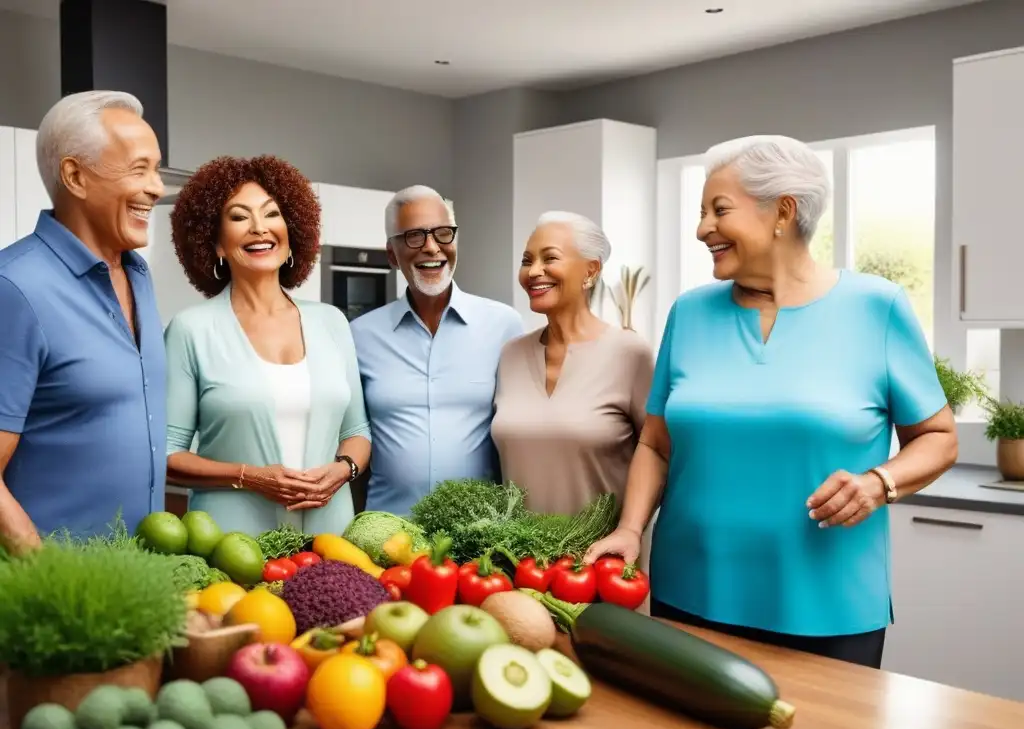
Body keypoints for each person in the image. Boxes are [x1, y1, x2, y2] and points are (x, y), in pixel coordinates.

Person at [586, 135, 958, 669]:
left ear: (783, 211)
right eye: (699, 212)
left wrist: (879, 483)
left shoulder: (877, 307)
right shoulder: (689, 314)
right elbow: (656, 443)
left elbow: (939, 438)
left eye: (719, 210)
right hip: (691, 592)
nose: (701, 229)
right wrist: (629, 528)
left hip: (826, 604)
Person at [163, 155, 371, 537]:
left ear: (292, 232)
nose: (260, 228)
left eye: (272, 214)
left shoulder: (332, 322)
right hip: (232, 546)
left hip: (330, 541)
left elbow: (357, 431)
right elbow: (166, 456)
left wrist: (343, 470)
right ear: (217, 243)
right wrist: (250, 477)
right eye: (239, 217)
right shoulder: (190, 330)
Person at [0, 91, 167, 550]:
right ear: (75, 175)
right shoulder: (14, 287)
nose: (157, 187)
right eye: (140, 168)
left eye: (156, 168)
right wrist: (47, 577)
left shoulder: (138, 274)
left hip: (139, 580)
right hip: (56, 595)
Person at [350, 185, 524, 517]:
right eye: (414, 236)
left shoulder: (505, 326)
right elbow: (352, 435)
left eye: (443, 234)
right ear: (391, 254)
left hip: (480, 538)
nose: (432, 248)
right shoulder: (359, 336)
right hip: (387, 535)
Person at [491, 211, 653, 516]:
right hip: (518, 558)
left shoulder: (630, 353)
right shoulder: (510, 355)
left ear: (590, 271)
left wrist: (630, 529)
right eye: (527, 261)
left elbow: (660, 458)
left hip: (602, 560)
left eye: (549, 258)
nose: (534, 271)